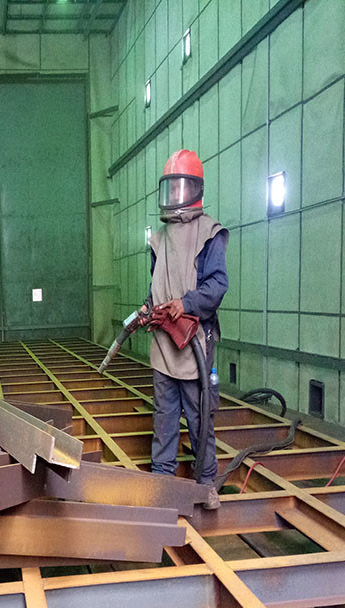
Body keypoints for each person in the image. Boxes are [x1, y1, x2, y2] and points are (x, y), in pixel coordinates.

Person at [146, 149, 229, 510]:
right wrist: (149, 308)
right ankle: (162, 483)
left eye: (182, 187)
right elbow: (155, 284)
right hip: (164, 343)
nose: (176, 195)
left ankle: (205, 484)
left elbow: (217, 286)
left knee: (199, 416)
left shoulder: (209, 233)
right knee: (164, 418)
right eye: (171, 187)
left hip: (195, 342)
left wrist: (186, 303)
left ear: (195, 189)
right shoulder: (159, 238)